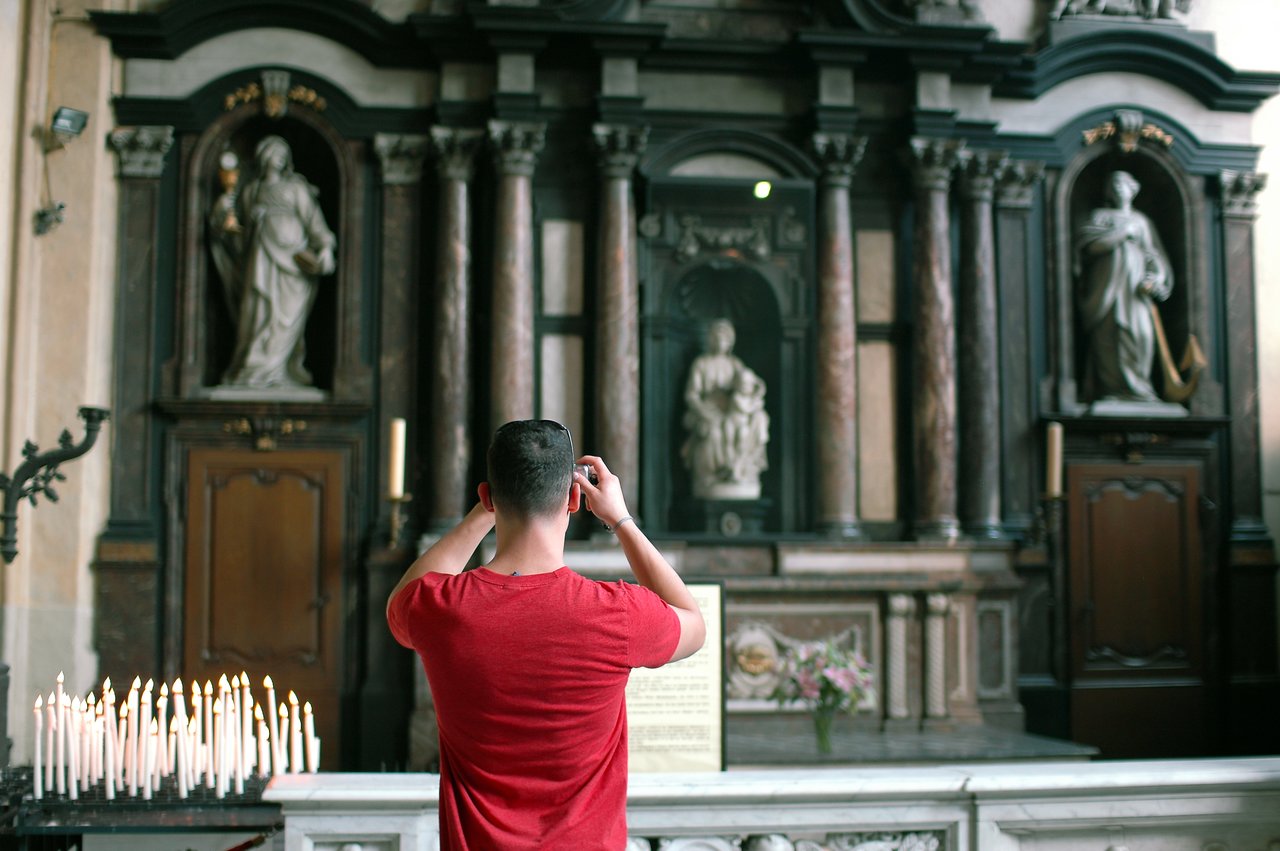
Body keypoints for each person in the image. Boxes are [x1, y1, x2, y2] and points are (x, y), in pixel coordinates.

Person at [386, 419, 705, 850]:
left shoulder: (440, 607)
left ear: (487, 496)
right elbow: (693, 622)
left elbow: (401, 600)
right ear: (574, 498)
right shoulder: (617, 612)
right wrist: (620, 520)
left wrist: (488, 507)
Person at [209, 135, 336, 389]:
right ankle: (254, 369)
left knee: (286, 317)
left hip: (293, 265)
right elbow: (237, 238)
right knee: (258, 312)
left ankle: (281, 370)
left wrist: (325, 247)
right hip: (260, 260)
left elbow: (315, 223)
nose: (277, 158)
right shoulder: (252, 191)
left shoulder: (296, 189)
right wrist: (224, 216)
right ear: (262, 156)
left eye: (281, 153)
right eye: (272, 152)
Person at [1076, 170, 1173, 403]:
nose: (1118, 188)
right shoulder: (1101, 216)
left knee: (1141, 335)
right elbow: (1089, 247)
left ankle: (1140, 387)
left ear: (1133, 189)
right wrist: (1122, 234)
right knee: (1111, 336)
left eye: (1122, 183)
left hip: (1136, 293)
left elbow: (1154, 256)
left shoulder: (1142, 222)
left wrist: (1156, 279)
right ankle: (1113, 391)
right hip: (1107, 291)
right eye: (1113, 184)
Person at [681, 319, 770, 499]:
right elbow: (692, 395)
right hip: (709, 410)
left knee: (755, 420)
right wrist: (704, 411)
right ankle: (712, 477)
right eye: (716, 337)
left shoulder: (735, 364)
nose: (720, 341)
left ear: (730, 341)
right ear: (710, 339)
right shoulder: (702, 364)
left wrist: (755, 393)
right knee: (714, 432)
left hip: (733, 410)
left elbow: (750, 383)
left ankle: (738, 470)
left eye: (724, 338)